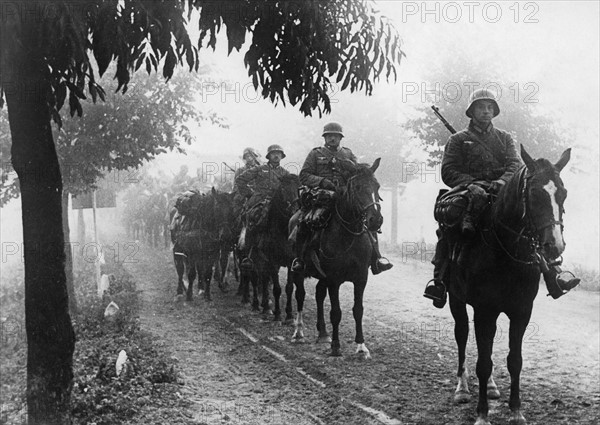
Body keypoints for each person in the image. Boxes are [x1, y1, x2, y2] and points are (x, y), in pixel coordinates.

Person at [424, 88, 580, 308]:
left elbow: (515, 165)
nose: (486, 112)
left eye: (490, 108)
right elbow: (449, 171)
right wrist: (472, 184)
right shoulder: (457, 140)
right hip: (470, 192)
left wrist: (500, 182)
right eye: (481, 107)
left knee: (529, 218)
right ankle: (440, 279)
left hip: (501, 191)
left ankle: (553, 270)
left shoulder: (505, 138)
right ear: (472, 111)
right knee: (451, 221)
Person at [291, 122, 393, 275]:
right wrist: (322, 182)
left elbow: (357, 174)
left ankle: (376, 259)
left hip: (345, 196)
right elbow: (304, 175)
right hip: (321, 196)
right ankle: (300, 259)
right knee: (305, 221)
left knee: (365, 220)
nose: (333, 138)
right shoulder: (315, 154)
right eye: (329, 136)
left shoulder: (348, 154)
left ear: (340, 138)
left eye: (336, 136)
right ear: (325, 137)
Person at [235, 145, 290, 257]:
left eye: (278, 154)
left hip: (277, 204)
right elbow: (240, 180)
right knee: (251, 218)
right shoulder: (259, 169)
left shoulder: (285, 173)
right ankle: (248, 251)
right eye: (273, 153)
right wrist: (250, 194)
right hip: (259, 201)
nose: (276, 155)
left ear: (281, 156)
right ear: (268, 156)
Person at [232, 147, 261, 218]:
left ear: (254, 156)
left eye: (250, 155)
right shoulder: (240, 170)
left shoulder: (261, 169)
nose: (249, 158)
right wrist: (247, 191)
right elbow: (236, 187)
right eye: (247, 156)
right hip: (243, 197)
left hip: (259, 196)